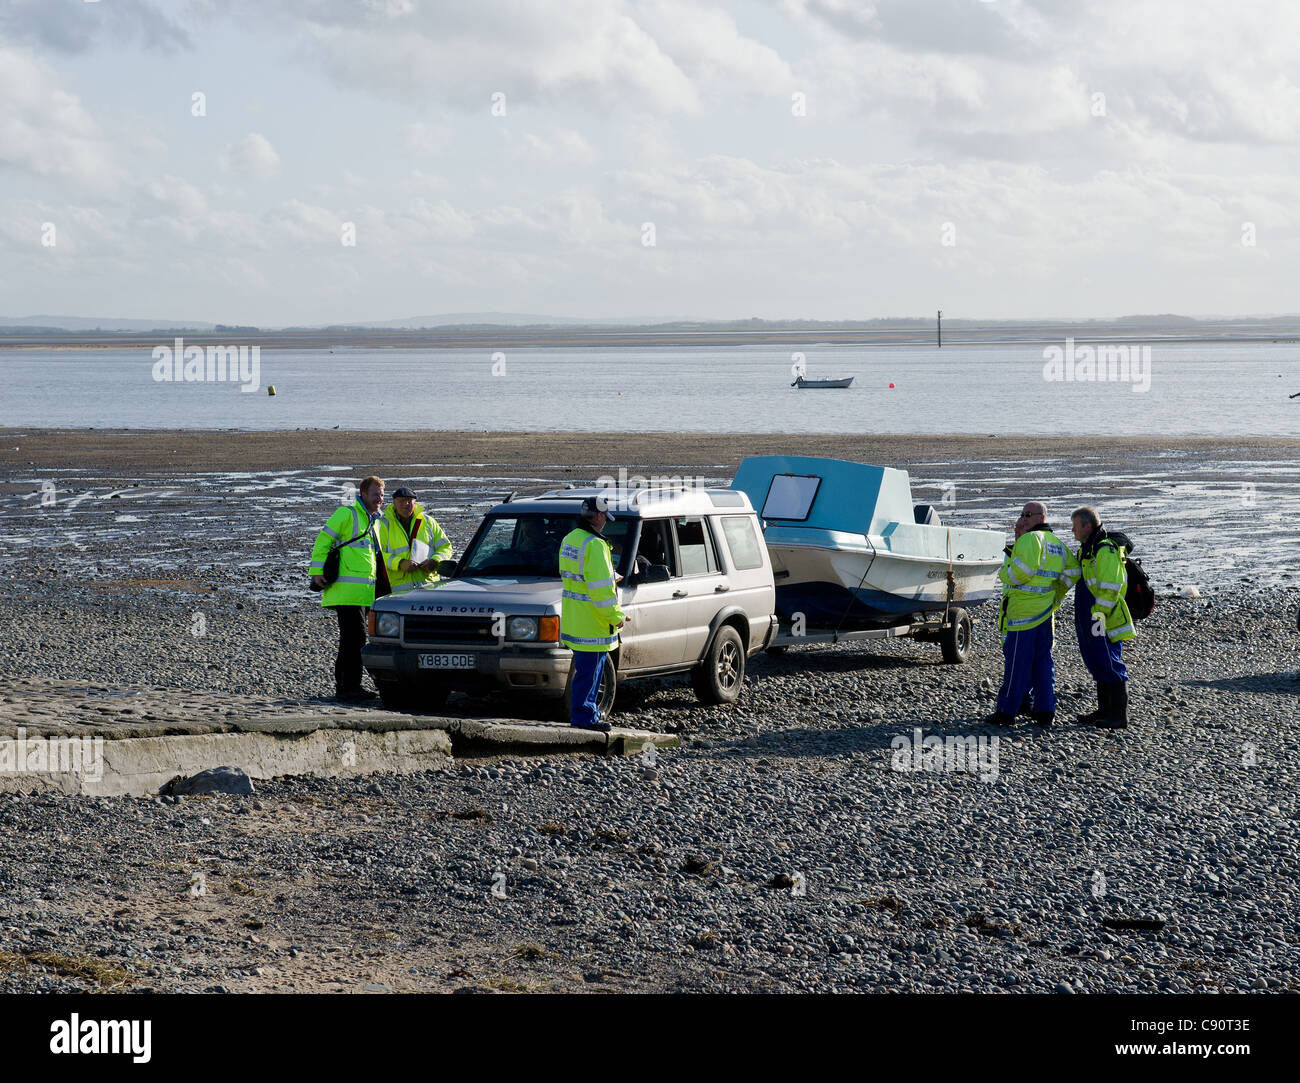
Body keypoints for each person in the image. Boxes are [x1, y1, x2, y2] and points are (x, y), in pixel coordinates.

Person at [984, 501, 1079, 730]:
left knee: (1017, 665)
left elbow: (1018, 574)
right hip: (1045, 614)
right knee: (1043, 664)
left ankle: (1006, 712)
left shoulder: (1030, 539)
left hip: (1023, 615)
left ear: (1042, 517)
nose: (1023, 518)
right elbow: (1074, 571)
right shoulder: (1056, 543)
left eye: (1028, 515)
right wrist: (1054, 594)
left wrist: (1004, 574)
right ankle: (1045, 711)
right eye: (1021, 514)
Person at [309, 476, 384, 702]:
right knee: (354, 639)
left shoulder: (374, 520)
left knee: (354, 639)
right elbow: (323, 540)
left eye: (381, 495)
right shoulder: (347, 513)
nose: (379, 499)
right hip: (345, 592)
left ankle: (349, 685)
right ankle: (347, 687)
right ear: (362, 494)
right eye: (375, 494)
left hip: (362, 594)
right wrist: (316, 571)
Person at [558, 497, 628, 731]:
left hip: (575, 619)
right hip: (593, 621)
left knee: (585, 671)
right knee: (590, 673)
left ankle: (585, 715)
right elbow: (601, 592)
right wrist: (616, 617)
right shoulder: (596, 545)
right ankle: (585, 718)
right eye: (605, 518)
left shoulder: (570, 539)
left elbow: (576, 578)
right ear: (598, 517)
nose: (606, 523)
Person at [1069, 506, 1135, 728]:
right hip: (1093, 615)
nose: (1072, 531)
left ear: (1087, 526)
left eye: (1075, 526)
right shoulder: (1088, 548)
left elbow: (1111, 587)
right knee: (1096, 659)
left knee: (1108, 659)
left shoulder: (1104, 549)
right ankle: (1104, 710)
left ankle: (1118, 715)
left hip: (1103, 617)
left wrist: (1099, 615)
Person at [379, 486, 453, 595]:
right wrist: (399, 563)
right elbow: (377, 555)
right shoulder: (383, 525)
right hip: (398, 592)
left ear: (415, 502)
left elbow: (446, 547)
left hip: (429, 587)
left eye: (409, 500)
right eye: (401, 501)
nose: (406, 504)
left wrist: (434, 561)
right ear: (394, 502)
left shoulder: (429, 522)